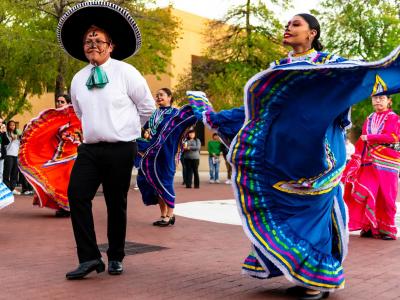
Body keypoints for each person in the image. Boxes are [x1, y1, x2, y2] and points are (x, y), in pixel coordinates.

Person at [188, 13, 400, 300]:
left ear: (312, 33)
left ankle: (316, 277)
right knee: (281, 209)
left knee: (316, 211)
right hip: (281, 159)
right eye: (287, 24)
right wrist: (218, 118)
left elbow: (352, 84)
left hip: (319, 153)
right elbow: (258, 111)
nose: (288, 28)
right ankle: (307, 273)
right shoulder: (278, 69)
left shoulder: (329, 65)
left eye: (296, 24)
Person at [57, 2, 155, 279]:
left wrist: (128, 129)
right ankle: (89, 258)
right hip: (89, 148)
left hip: (121, 148)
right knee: (76, 196)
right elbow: (78, 111)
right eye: (88, 40)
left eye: (98, 39)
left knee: (116, 202)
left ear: (110, 45)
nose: (92, 44)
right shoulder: (78, 79)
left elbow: (147, 106)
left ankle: (116, 256)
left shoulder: (126, 72)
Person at [342, 94, 399, 240]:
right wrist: (357, 159)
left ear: (389, 101)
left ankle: (387, 230)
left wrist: (370, 138)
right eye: (375, 98)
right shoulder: (370, 117)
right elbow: (362, 139)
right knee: (368, 190)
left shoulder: (393, 117)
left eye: (382, 98)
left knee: (387, 196)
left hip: (387, 160)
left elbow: (393, 137)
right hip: (369, 160)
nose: (378, 100)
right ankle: (369, 227)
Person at [136, 88, 196, 227]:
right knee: (154, 182)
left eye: (161, 95)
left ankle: (170, 214)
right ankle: (164, 215)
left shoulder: (175, 113)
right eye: (156, 95)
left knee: (165, 181)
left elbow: (183, 128)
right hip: (153, 152)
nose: (158, 97)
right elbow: (144, 129)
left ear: (170, 97)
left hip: (167, 153)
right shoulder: (154, 114)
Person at [18, 95, 80, 217]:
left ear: (68, 103)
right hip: (59, 156)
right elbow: (45, 134)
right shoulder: (54, 118)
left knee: (67, 182)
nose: (59, 103)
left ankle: (68, 207)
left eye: (62, 101)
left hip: (73, 155)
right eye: (57, 101)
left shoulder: (76, 117)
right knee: (57, 181)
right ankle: (64, 207)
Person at [4, 120, 21, 195]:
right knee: (7, 172)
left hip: (16, 155)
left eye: (13, 125)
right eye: (11, 125)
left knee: (14, 173)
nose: (12, 126)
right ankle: (6, 188)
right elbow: (5, 144)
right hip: (8, 155)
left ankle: (12, 188)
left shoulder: (17, 134)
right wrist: (11, 139)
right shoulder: (6, 134)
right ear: (8, 126)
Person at [0, 118, 10, 182]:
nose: (1, 124)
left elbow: (7, 142)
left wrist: (5, 133)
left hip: (1, 154)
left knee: (1, 172)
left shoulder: (2, 132)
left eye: (1, 122)